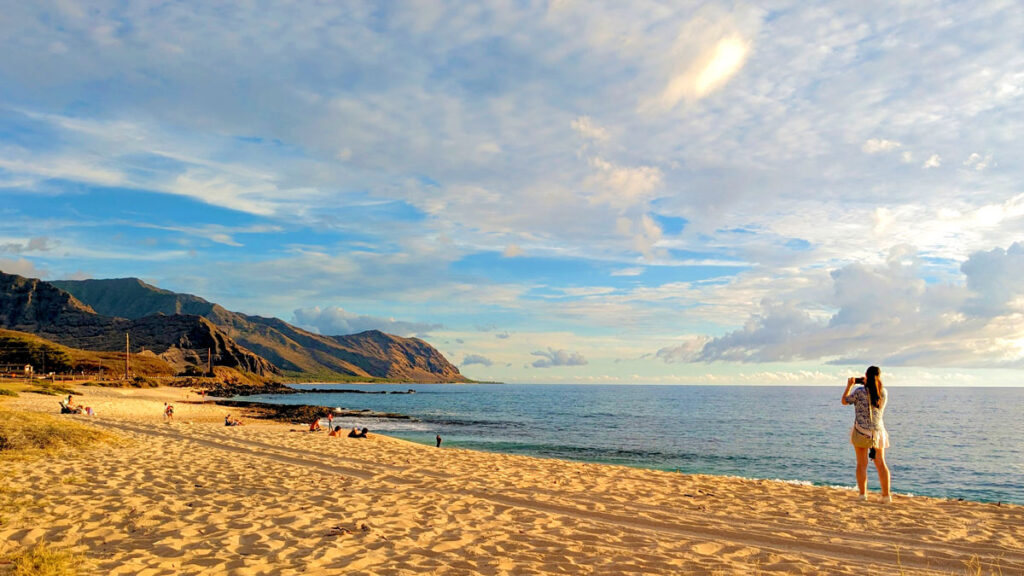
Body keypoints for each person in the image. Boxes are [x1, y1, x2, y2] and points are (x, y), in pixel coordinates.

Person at [841, 366, 892, 503]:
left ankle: (863, 494)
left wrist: (849, 385)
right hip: (877, 432)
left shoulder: (859, 392)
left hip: (861, 432)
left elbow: (844, 400)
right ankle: (886, 495)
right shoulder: (884, 393)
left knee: (862, 464)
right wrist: (869, 383)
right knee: (881, 464)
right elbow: (874, 392)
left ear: (866, 376)